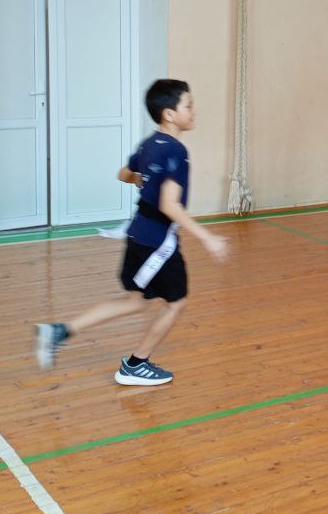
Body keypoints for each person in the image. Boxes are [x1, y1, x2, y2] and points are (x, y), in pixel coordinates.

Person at [34, 79, 227, 386]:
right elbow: (169, 205)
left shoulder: (149, 144)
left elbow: (123, 174)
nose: (194, 111)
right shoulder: (177, 151)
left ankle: (60, 331)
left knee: (136, 301)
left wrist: (141, 179)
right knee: (176, 303)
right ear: (169, 114)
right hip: (158, 244)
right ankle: (136, 364)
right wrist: (208, 237)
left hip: (137, 234)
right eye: (188, 105)